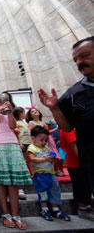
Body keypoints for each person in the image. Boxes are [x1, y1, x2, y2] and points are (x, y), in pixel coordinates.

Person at [38, 36, 94, 197]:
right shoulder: (74, 93)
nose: (79, 63)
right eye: (76, 59)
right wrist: (54, 109)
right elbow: (67, 126)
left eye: (84, 56)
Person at [0, 93, 32, 230]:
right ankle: (5, 214)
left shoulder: (7, 115)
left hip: (12, 146)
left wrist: (9, 111)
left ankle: (16, 214)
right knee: (0, 183)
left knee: (13, 184)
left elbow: (12, 126)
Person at [27, 126, 70, 221]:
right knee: (42, 191)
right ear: (33, 138)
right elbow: (32, 158)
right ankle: (44, 208)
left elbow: (51, 153)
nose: (44, 142)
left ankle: (55, 209)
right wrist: (44, 159)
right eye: (41, 140)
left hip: (50, 173)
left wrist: (52, 157)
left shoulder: (46, 147)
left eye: (45, 140)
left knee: (55, 190)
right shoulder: (32, 147)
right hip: (40, 174)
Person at [59, 129, 94, 221]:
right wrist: (84, 161)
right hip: (76, 163)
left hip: (81, 161)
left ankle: (88, 206)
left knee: (86, 186)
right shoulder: (68, 128)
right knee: (81, 186)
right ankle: (83, 209)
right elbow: (73, 144)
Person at [12, 106, 32, 199]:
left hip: (28, 142)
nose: (25, 114)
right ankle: (27, 173)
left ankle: (31, 173)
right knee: (24, 159)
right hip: (22, 143)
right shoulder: (16, 123)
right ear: (19, 114)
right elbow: (16, 133)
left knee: (29, 159)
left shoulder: (25, 122)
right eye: (23, 113)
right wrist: (19, 142)